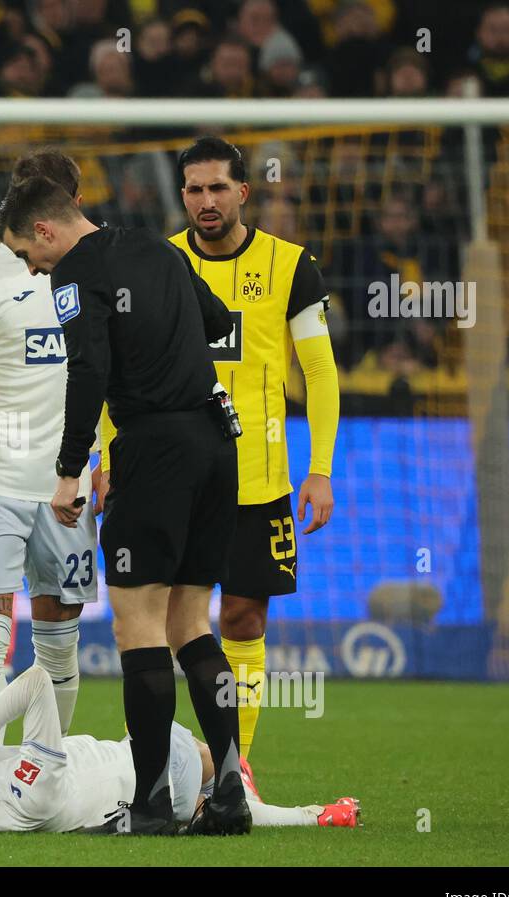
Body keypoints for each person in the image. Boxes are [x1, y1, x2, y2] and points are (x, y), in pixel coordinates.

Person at [0, 175, 249, 836]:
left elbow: (90, 369)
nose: (31, 265)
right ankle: (228, 794)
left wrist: (69, 469)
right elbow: (220, 321)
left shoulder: (74, 275)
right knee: (191, 624)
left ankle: (152, 805)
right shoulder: (160, 250)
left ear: (46, 230)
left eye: (27, 252)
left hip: (155, 451)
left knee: (139, 627)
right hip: (217, 444)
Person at [165, 137, 340, 776]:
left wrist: (319, 469)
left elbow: (320, 372)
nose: (206, 201)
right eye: (194, 189)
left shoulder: (292, 267)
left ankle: (235, 766)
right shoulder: (163, 264)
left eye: (218, 188)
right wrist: (105, 459)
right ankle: (173, 764)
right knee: (168, 621)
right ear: (182, 195)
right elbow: (124, 365)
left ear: (243, 191)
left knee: (242, 617)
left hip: (258, 477)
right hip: (176, 475)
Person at [0, 149, 107, 734]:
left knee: (59, 644)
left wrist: (106, 456)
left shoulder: (105, 271)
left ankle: (46, 773)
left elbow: (113, 376)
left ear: (69, 207)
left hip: (70, 484)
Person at [0, 665, 361, 833]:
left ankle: (292, 811)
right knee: (163, 725)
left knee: (152, 735)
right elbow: (37, 682)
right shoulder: (23, 801)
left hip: (136, 770)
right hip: (159, 778)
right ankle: (253, 796)